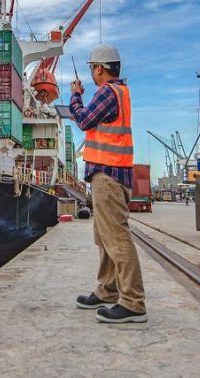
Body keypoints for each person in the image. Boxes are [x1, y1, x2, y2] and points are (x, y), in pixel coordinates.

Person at [69, 44, 146, 324]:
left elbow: (84, 120)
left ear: (99, 68)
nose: (91, 73)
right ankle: (107, 290)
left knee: (117, 238)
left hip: (109, 175)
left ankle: (133, 302)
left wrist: (76, 96)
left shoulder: (108, 91)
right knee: (104, 238)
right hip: (110, 174)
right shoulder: (119, 93)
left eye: (92, 68)